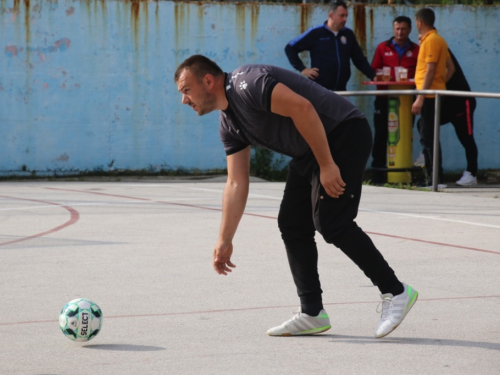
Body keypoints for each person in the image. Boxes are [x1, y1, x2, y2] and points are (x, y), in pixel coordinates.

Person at [174, 54, 418, 338]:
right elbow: (235, 183)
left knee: (332, 222)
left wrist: (327, 165)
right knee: (291, 223)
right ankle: (312, 312)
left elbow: (302, 108)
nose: (184, 100)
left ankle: (395, 291)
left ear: (207, 81)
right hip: (309, 150)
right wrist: (224, 240)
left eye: (186, 91)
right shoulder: (229, 124)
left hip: (343, 132)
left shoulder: (247, 83)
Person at [370, 16, 420, 184]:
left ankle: (403, 173)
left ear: (410, 30)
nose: (400, 32)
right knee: (381, 135)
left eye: (403, 29)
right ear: (393, 29)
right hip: (384, 99)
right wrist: (381, 78)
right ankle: (377, 174)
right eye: (397, 29)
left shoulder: (416, 49)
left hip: (406, 102)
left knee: (404, 135)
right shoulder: (383, 48)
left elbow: (421, 72)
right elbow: (373, 70)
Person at [284, 0, 374, 91]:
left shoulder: (348, 34)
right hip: (319, 91)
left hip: (341, 90)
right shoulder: (316, 33)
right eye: (342, 16)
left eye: (346, 16)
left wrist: (372, 76)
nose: (345, 19)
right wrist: (302, 69)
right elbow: (290, 48)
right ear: (331, 15)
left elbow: (359, 59)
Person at [412, 8, 454, 187]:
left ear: (419, 22)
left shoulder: (431, 41)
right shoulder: (440, 40)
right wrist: (439, 82)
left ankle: (435, 178)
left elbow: (430, 70)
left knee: (428, 137)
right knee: (426, 132)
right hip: (433, 92)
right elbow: (450, 68)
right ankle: (435, 177)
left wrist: (421, 97)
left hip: (429, 96)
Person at [440, 50, 478, 186]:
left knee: (466, 139)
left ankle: (472, 173)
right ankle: (426, 154)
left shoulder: (440, 49)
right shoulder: (427, 51)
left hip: (462, 103)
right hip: (447, 104)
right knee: (425, 123)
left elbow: (447, 72)